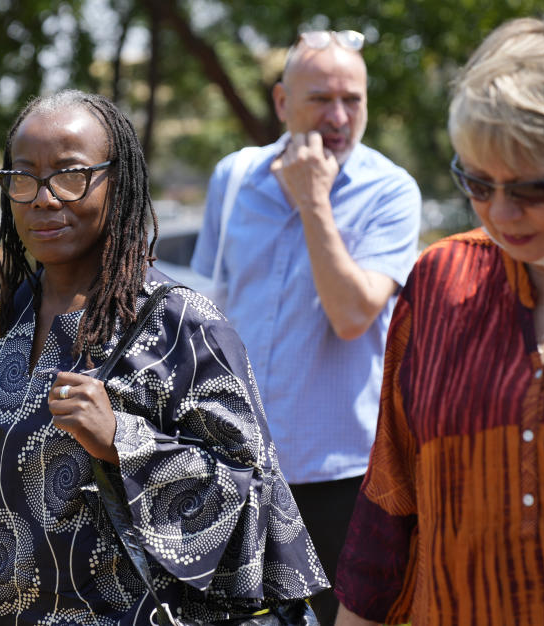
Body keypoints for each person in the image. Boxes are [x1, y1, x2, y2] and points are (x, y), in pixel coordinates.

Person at [0, 90, 328, 625]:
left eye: (70, 174)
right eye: (23, 177)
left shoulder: (185, 327)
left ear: (116, 183)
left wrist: (125, 442)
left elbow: (258, 510)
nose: (44, 198)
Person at [334, 11, 544, 625]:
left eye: (534, 188)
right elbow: (391, 500)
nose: (501, 212)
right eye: (477, 182)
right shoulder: (443, 279)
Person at [190, 28, 422, 624]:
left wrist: (315, 202)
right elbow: (205, 316)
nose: (340, 116)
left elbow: (351, 315)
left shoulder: (390, 192)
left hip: (340, 481)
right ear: (281, 103)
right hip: (231, 469)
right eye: (321, 98)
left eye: (354, 99)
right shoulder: (234, 178)